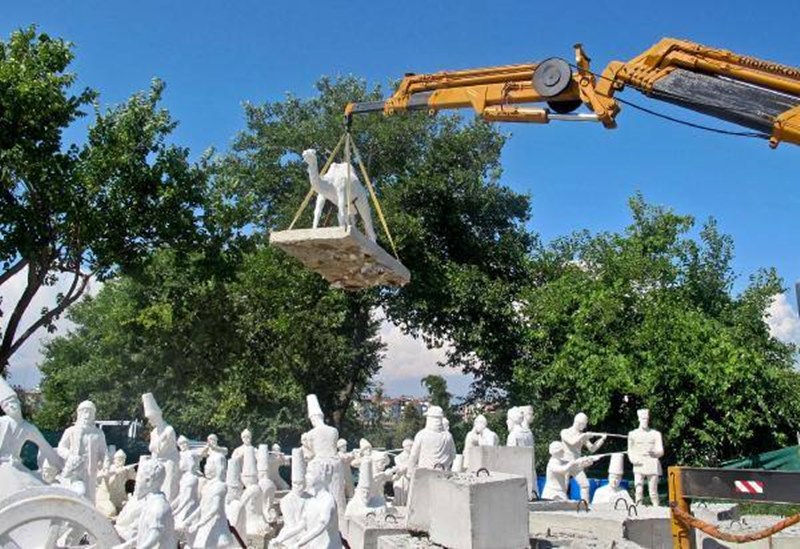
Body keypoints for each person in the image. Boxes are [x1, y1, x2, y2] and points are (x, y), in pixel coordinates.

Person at [0, 376, 62, 493]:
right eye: (6, 405)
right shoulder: (2, 422)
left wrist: (60, 466)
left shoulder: (28, 428)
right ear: (4, 410)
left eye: (13, 402)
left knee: (33, 486)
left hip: (15, 466)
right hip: (2, 468)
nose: (11, 406)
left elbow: (45, 447)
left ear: (19, 402)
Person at [272, 459, 342, 549]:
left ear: (322, 476)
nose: (306, 476)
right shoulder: (312, 500)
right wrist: (280, 538)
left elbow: (320, 527)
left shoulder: (327, 500)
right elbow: (301, 525)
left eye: (310, 473)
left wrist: (299, 544)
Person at [113, 459, 177, 549]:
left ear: (149, 481)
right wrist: (126, 545)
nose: (136, 484)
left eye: (139, 479)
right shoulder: (150, 503)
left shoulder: (158, 507)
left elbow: (155, 536)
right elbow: (145, 535)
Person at [303, 394, 345, 522]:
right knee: (337, 494)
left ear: (312, 418)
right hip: (335, 464)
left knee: (318, 494)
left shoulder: (310, 434)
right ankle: (340, 521)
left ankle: (317, 520)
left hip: (320, 466)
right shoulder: (334, 431)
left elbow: (309, 455)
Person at [57, 400, 108, 504]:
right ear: (79, 414)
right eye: (84, 412)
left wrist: (105, 463)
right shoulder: (71, 431)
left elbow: (104, 451)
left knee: (90, 497)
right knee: (77, 493)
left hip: (91, 471)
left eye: (90, 412)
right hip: (74, 470)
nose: (87, 415)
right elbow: (61, 447)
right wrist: (69, 456)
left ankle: (87, 518)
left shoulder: (98, 433)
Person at [187, 452, 235, 548]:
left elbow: (215, 509)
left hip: (216, 526)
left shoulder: (219, 486)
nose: (205, 467)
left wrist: (198, 524)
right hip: (205, 524)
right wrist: (189, 520)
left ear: (217, 467)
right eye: (206, 464)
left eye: (209, 464)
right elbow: (202, 506)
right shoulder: (207, 485)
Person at [560, 412, 606, 503]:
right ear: (578, 423)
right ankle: (561, 505)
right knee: (563, 486)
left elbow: (592, 449)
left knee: (585, 485)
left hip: (577, 464)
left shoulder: (582, 435)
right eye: (584, 425)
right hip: (565, 463)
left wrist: (602, 439)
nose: (584, 427)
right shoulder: (565, 432)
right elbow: (572, 442)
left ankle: (585, 505)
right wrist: (584, 436)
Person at [142, 393, 180, 503]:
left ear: (156, 416)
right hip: (158, 463)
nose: (149, 421)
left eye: (151, 418)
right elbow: (152, 449)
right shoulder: (154, 432)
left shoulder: (169, 430)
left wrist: (156, 445)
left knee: (168, 489)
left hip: (169, 462)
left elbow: (160, 449)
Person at [628, 408, 664, 506]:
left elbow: (661, 451)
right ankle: (638, 508)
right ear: (639, 419)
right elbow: (630, 450)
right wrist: (633, 460)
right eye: (643, 419)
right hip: (639, 463)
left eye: (646, 419)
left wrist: (655, 453)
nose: (645, 421)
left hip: (652, 463)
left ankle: (656, 508)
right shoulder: (632, 434)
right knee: (638, 489)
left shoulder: (655, 434)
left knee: (653, 491)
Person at [408, 406, 456, 475]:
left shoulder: (421, 435)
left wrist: (410, 471)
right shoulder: (448, 436)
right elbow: (453, 455)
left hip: (425, 475)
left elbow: (413, 455)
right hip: (443, 474)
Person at [392, 439, 413, 506]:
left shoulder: (414, 457)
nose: (412, 447)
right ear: (405, 446)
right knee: (400, 496)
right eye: (410, 446)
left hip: (410, 479)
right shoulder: (398, 457)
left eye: (412, 446)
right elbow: (400, 468)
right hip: (401, 479)